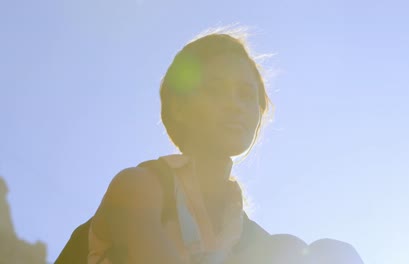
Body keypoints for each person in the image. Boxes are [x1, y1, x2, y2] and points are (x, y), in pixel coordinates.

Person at [87, 29, 364, 264]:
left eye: (246, 95)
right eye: (215, 90)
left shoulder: (245, 231)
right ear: (180, 107)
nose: (235, 105)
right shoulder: (140, 187)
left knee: (326, 252)